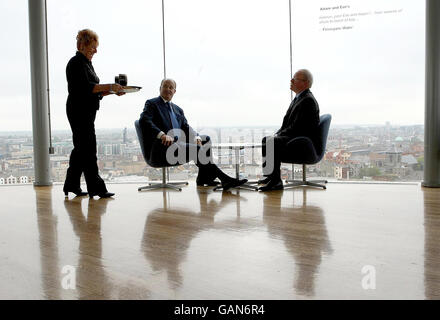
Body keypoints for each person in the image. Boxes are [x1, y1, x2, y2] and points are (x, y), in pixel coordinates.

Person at [139, 78, 248, 191]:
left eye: (171, 87)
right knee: (196, 149)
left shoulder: (177, 109)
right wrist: (162, 135)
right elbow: (144, 120)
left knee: (204, 139)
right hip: (162, 149)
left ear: (174, 91)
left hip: (178, 146)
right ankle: (225, 179)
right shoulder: (152, 104)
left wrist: (196, 136)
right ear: (160, 88)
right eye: (165, 86)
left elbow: (186, 127)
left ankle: (203, 178)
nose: (168, 89)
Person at [63, 29, 125, 199]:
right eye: (92, 47)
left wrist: (113, 91)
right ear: (81, 45)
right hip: (78, 111)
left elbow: (94, 91)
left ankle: (71, 184)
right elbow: (86, 87)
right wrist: (110, 87)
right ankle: (96, 188)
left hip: (86, 110)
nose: (95, 51)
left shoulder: (87, 63)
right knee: (89, 149)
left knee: (80, 149)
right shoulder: (75, 63)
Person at [259, 69, 320, 191]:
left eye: (295, 79)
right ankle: (271, 177)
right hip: (296, 136)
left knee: (271, 142)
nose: (291, 81)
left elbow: (298, 127)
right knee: (268, 140)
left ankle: (276, 182)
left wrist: (279, 135)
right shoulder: (300, 98)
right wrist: (278, 133)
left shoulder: (307, 100)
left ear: (306, 83)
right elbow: (288, 123)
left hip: (302, 141)